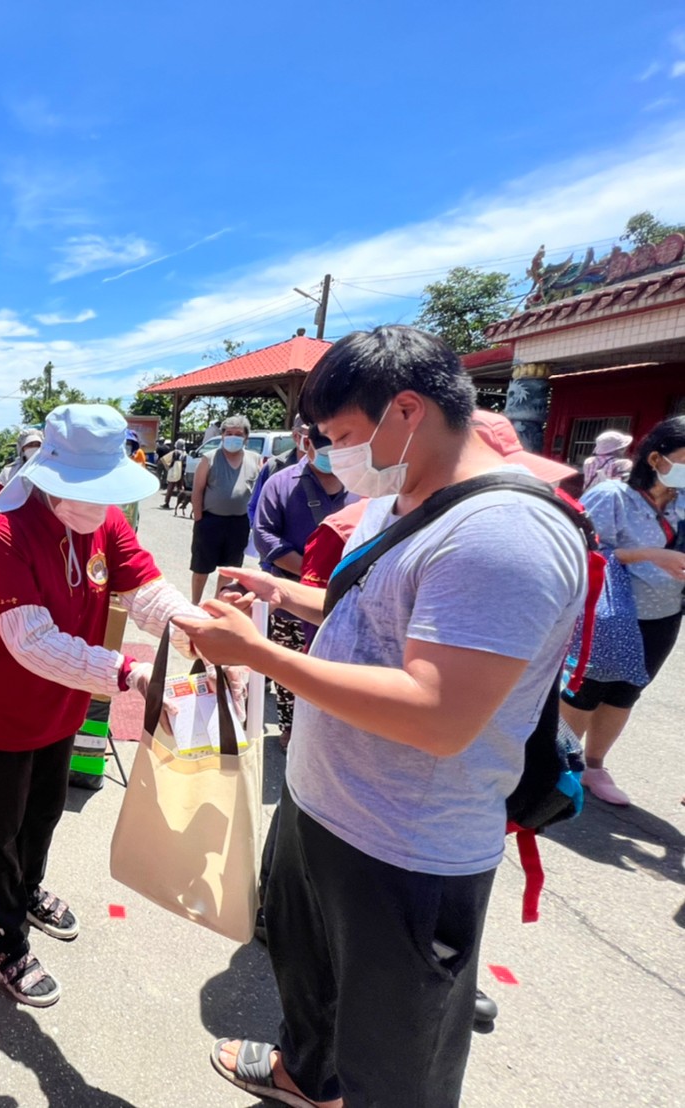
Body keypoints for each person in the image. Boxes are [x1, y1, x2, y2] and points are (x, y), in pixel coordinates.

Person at [179, 326, 588, 1108]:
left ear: (406, 410)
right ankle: (305, 1074)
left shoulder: (503, 535)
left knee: (398, 1062)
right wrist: (276, 594)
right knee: (312, 987)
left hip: (406, 847)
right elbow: (367, 614)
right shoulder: (401, 498)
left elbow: (439, 715)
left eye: (340, 437)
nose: (333, 456)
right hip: (321, 805)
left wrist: (258, 656)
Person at [0, 404, 204, 1008]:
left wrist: (195, 625)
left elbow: (143, 589)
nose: (96, 503)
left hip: (61, 708)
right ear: (47, 471)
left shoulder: (104, 518)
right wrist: (127, 671)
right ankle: (2, 938)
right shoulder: (3, 532)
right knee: (1, 832)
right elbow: (31, 643)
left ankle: (29, 892)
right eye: (84, 489)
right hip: (2, 713)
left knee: (44, 816)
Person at [560, 416, 685, 807]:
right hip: (610, 610)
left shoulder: (681, 502)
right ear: (656, 459)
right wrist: (648, 554)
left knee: (626, 692)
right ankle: (562, 764)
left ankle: (595, 765)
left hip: (663, 613)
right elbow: (585, 550)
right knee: (586, 688)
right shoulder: (613, 496)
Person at [251, 427, 357, 746]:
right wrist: (313, 573)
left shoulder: (360, 485)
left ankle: (327, 731)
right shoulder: (281, 484)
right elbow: (264, 536)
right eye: (325, 448)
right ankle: (289, 727)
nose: (331, 456)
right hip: (289, 596)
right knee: (290, 668)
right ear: (307, 444)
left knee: (335, 667)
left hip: (344, 599)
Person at [189, 414, 262, 602]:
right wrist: (199, 518)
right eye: (228, 433)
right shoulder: (209, 458)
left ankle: (217, 604)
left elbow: (259, 492)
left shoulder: (255, 459)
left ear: (246, 437)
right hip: (210, 521)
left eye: (238, 433)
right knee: (201, 567)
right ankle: (194, 603)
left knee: (229, 569)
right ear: (222, 435)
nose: (232, 437)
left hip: (239, 523)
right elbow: (197, 490)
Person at [247, 416, 309, 526]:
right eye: (311, 435)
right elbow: (255, 506)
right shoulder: (273, 466)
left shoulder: (333, 467)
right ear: (296, 436)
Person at [0, 428, 44, 497]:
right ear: (22, 448)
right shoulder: (9, 472)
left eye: (37, 444)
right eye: (30, 445)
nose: (34, 447)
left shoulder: (49, 468)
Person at [160, 438, 189, 509]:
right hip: (181, 472)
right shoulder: (185, 454)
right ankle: (183, 502)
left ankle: (167, 503)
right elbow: (185, 464)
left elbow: (167, 461)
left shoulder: (175, 452)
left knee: (170, 487)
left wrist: (168, 468)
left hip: (174, 472)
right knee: (181, 488)